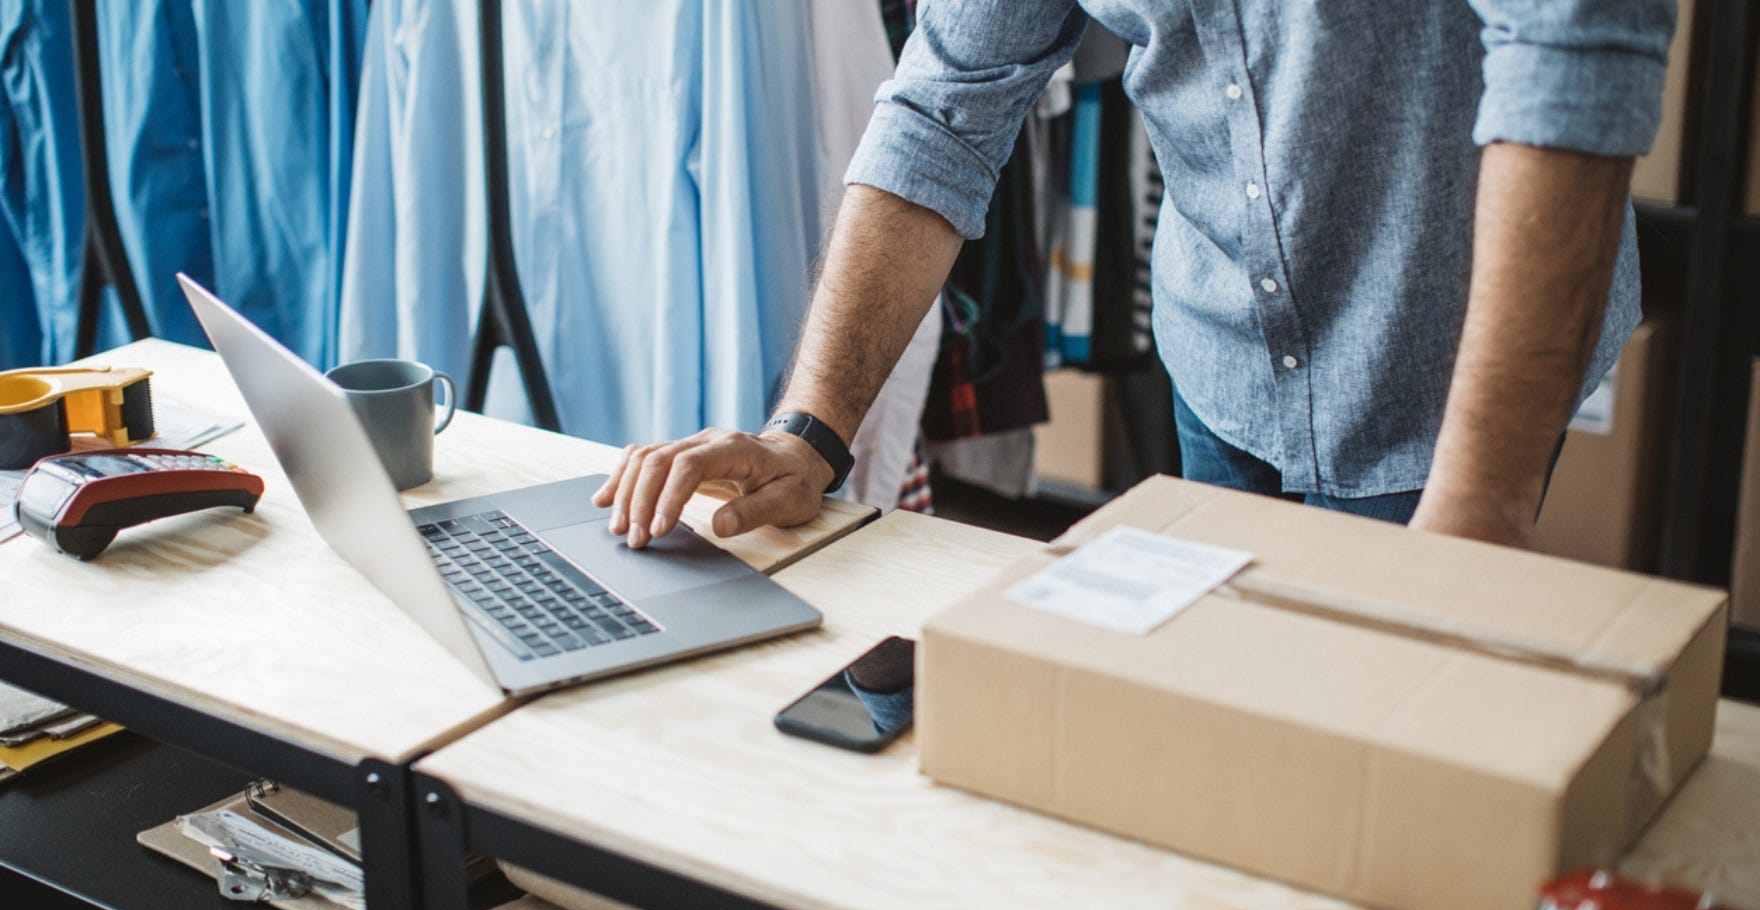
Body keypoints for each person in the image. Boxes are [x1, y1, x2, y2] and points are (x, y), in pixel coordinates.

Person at [594, 0, 1673, 551]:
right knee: (1234, 714)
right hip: (1223, 353)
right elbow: (939, 108)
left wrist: (1479, 506)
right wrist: (811, 430)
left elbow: (1572, 70)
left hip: (1437, 374)